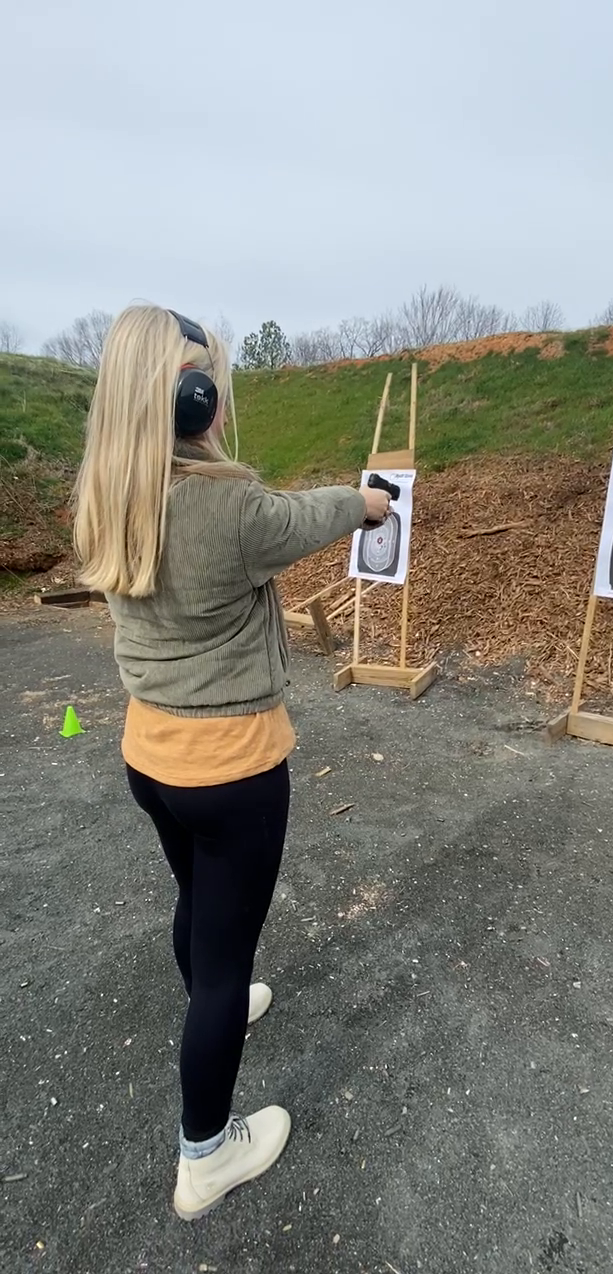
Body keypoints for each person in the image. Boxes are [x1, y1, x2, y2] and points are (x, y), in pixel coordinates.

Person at [73, 304, 391, 1220]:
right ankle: (205, 1156)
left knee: (200, 916)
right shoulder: (229, 506)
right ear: (191, 397)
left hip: (152, 757)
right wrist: (367, 501)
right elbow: (305, 516)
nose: (213, 397)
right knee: (222, 971)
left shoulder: (106, 485)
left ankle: (213, 997)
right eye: (203, 382)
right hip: (232, 771)